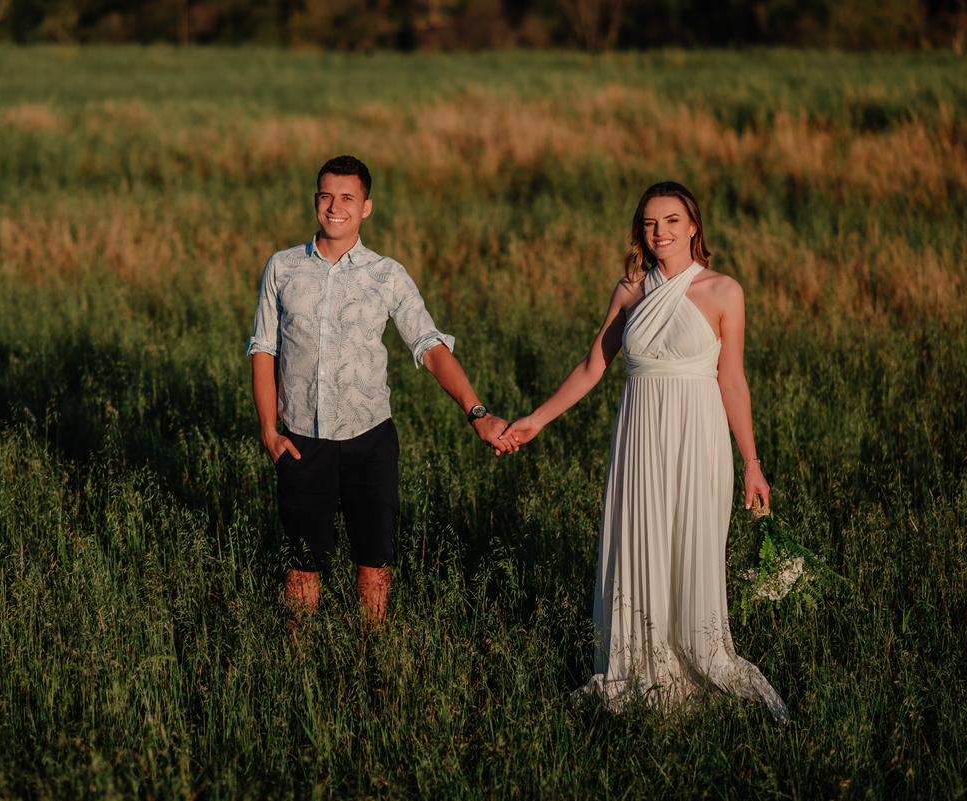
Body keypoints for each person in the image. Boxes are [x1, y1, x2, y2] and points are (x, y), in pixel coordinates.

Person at [499, 181, 788, 721]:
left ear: (693, 225)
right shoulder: (630, 290)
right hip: (639, 437)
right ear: (641, 230)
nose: (661, 232)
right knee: (640, 542)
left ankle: (699, 658)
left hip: (698, 438)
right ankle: (640, 667)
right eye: (651, 223)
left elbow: (732, 381)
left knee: (691, 546)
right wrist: (535, 420)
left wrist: (752, 463)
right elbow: (593, 367)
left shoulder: (723, 291)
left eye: (672, 220)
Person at [246, 155, 515, 627]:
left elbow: (430, 346)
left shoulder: (386, 274)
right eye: (326, 196)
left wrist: (478, 412)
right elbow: (263, 350)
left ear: (365, 207)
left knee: (374, 559)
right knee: (303, 562)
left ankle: (374, 652)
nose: (335, 207)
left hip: (369, 438)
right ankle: (296, 657)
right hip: (301, 441)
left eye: (347, 198)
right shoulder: (283, 267)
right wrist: (269, 432)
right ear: (315, 201)